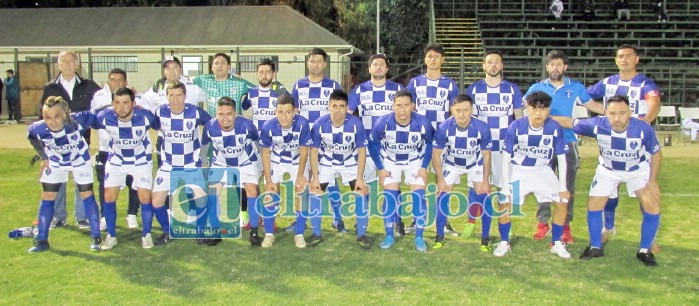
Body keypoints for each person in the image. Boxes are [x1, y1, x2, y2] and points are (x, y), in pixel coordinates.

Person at [553, 96, 662, 266]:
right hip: (608, 170)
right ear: (606, 113)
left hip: (637, 170)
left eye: (622, 113)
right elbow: (569, 122)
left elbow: (656, 153)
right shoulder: (598, 125)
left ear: (630, 113)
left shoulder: (643, 129)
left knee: (652, 206)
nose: (617, 118)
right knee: (594, 204)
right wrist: (542, 116)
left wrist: (652, 180)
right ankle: (595, 246)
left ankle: (644, 250)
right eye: (612, 113)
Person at [525, 50, 605, 244]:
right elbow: (527, 108)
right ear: (546, 67)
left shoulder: (575, 87)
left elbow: (592, 105)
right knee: (542, 183)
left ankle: (565, 225)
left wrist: (612, 113)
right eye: (551, 64)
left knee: (567, 186)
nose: (555, 68)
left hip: (567, 140)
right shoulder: (537, 87)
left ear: (565, 67)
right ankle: (542, 223)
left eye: (559, 64)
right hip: (543, 142)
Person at [587, 44, 661, 244]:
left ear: (636, 59)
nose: (624, 60)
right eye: (620, 56)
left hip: (638, 146)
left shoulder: (644, 83)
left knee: (645, 192)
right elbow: (585, 97)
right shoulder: (608, 82)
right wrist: (606, 114)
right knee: (610, 190)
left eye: (629, 56)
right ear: (615, 59)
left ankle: (649, 239)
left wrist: (644, 122)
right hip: (611, 143)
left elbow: (654, 103)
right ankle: (608, 227)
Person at [495, 91, 571, 259]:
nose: (538, 113)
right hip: (519, 171)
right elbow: (506, 156)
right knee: (504, 202)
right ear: (527, 108)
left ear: (548, 110)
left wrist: (563, 187)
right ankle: (504, 241)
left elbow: (561, 157)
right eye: (534, 108)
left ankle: (556, 243)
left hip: (543, 171)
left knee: (562, 201)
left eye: (543, 109)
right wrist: (505, 185)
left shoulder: (554, 128)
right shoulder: (516, 126)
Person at [27, 96, 102, 252]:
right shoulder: (38, 128)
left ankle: (96, 238)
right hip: (55, 161)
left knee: (87, 194)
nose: (52, 121)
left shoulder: (79, 120)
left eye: (57, 116)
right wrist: (44, 157)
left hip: (79, 160)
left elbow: (97, 115)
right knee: (47, 196)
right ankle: (41, 240)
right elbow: (32, 137)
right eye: (47, 117)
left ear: (65, 114)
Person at [39, 50, 101, 230]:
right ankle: (58, 217)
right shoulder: (50, 88)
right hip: (55, 144)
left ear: (77, 64)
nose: (67, 64)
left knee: (82, 180)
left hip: (81, 142)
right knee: (57, 181)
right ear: (59, 64)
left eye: (71, 61)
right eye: (63, 61)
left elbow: (100, 103)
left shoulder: (89, 86)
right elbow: (42, 117)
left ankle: (82, 217)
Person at [92, 87, 160, 249]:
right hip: (116, 160)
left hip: (141, 161)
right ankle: (111, 235)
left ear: (133, 104)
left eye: (125, 103)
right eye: (117, 103)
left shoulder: (145, 117)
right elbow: (89, 121)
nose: (121, 107)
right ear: (112, 104)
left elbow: (159, 125)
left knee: (144, 197)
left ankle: (147, 235)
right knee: (109, 196)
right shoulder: (105, 116)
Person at [464, 50, 523, 238]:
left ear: (502, 65)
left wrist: (519, 142)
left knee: (503, 187)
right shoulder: (473, 90)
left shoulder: (513, 89)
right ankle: (471, 222)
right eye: (490, 62)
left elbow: (519, 118)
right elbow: (468, 119)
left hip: (504, 148)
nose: (493, 65)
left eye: (497, 62)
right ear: (483, 66)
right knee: (476, 186)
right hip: (480, 148)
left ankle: (505, 223)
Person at [368, 90, 434, 252]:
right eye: (399, 105)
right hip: (391, 161)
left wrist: (424, 167)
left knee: (418, 197)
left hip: (415, 161)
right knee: (390, 198)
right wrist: (381, 168)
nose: (403, 110)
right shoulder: (383, 122)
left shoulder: (423, 122)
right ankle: (389, 235)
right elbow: (372, 144)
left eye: (406, 105)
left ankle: (419, 237)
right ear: (393, 106)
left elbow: (430, 144)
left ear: (413, 105)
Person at [348, 53, 405, 235]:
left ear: (387, 69)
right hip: (365, 145)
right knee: (362, 184)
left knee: (392, 185)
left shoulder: (397, 89)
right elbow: (348, 115)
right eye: (375, 65)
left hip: (390, 147)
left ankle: (397, 220)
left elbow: (406, 115)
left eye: (382, 65)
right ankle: (361, 221)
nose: (378, 67)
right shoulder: (359, 90)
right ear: (369, 68)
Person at [291, 48, 346, 233]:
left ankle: (338, 219)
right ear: (307, 63)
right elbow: (295, 113)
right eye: (312, 61)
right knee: (302, 179)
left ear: (325, 64)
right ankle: (301, 220)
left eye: (319, 61)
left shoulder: (333, 85)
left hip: (326, 140)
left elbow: (339, 113)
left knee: (329, 181)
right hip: (305, 140)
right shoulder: (298, 85)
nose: (316, 64)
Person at [406, 43, 459, 235]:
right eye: (429, 56)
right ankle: (416, 217)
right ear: (425, 59)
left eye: (437, 56)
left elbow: (454, 111)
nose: (433, 59)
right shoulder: (415, 83)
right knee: (418, 178)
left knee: (443, 179)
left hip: (442, 138)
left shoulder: (450, 84)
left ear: (442, 60)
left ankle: (443, 220)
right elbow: (408, 107)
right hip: (419, 138)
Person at [151, 81, 211, 245]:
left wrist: (205, 148)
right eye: (172, 95)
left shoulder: (196, 112)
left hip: (191, 165)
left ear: (185, 96)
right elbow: (152, 124)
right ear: (167, 96)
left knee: (201, 200)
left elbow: (211, 124)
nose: (176, 99)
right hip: (168, 166)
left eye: (179, 95)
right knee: (156, 201)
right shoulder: (159, 112)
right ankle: (168, 231)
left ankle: (200, 233)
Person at [308, 90, 370, 249]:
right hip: (327, 162)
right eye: (334, 106)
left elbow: (362, 151)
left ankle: (362, 234)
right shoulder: (319, 124)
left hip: (349, 162)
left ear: (347, 107)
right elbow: (314, 152)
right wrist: (315, 177)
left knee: (361, 191)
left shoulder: (355, 123)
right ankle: (316, 233)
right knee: (315, 192)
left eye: (341, 106)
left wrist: (360, 177)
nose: (338, 110)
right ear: (328, 107)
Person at [432, 94, 492, 251]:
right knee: (442, 193)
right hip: (452, 164)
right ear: (452, 110)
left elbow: (486, 156)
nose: (461, 114)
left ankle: (485, 238)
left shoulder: (482, 128)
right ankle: (439, 236)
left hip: (474, 163)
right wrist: (440, 179)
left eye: (465, 110)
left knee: (484, 194)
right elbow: (436, 154)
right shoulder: (444, 127)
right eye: (458, 110)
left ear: (472, 110)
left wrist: (486, 181)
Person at [202, 97, 260, 247]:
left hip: (245, 160)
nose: (225, 118)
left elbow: (257, 143)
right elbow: (204, 147)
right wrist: (204, 166)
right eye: (221, 114)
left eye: (229, 114)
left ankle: (254, 231)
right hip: (221, 162)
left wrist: (260, 166)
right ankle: (215, 232)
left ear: (235, 114)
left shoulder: (247, 125)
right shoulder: (210, 127)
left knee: (252, 191)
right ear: (216, 114)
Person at [90, 68, 141, 230]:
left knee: (133, 183)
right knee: (105, 185)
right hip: (107, 150)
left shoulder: (133, 96)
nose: (117, 83)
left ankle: (132, 214)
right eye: (113, 79)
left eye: (120, 80)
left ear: (125, 82)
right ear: (108, 82)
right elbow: (93, 120)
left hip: (131, 149)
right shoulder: (98, 97)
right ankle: (105, 216)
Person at [259, 95, 312, 248]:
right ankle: (269, 234)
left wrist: (301, 175)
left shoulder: (302, 124)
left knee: (302, 192)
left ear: (294, 111)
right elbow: (266, 153)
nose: (284, 116)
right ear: (275, 112)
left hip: (297, 161)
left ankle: (299, 234)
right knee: (270, 194)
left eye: (288, 112)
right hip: (277, 161)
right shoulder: (268, 126)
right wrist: (268, 180)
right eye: (280, 112)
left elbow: (304, 151)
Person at [242, 58, 289, 132]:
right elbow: (243, 107)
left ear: (273, 74)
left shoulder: (280, 92)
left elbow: (294, 107)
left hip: (275, 137)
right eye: (261, 72)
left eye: (267, 72)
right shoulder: (251, 92)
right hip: (256, 137)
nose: (264, 75)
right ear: (256, 74)